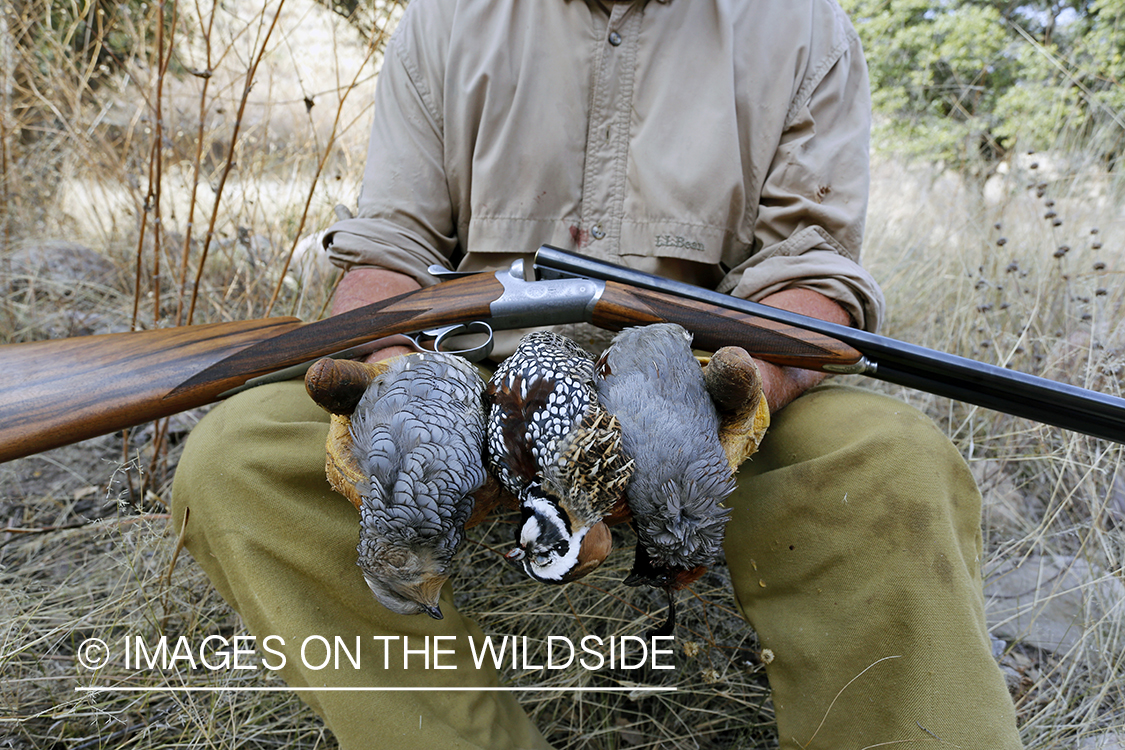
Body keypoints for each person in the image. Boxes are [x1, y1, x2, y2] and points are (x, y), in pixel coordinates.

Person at [171, 0, 1024, 747]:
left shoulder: (804, 27)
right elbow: (390, 246)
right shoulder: (441, 20)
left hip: (689, 387)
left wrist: (739, 398)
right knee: (240, 460)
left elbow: (810, 271)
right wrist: (398, 384)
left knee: (888, 464)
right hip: (465, 384)